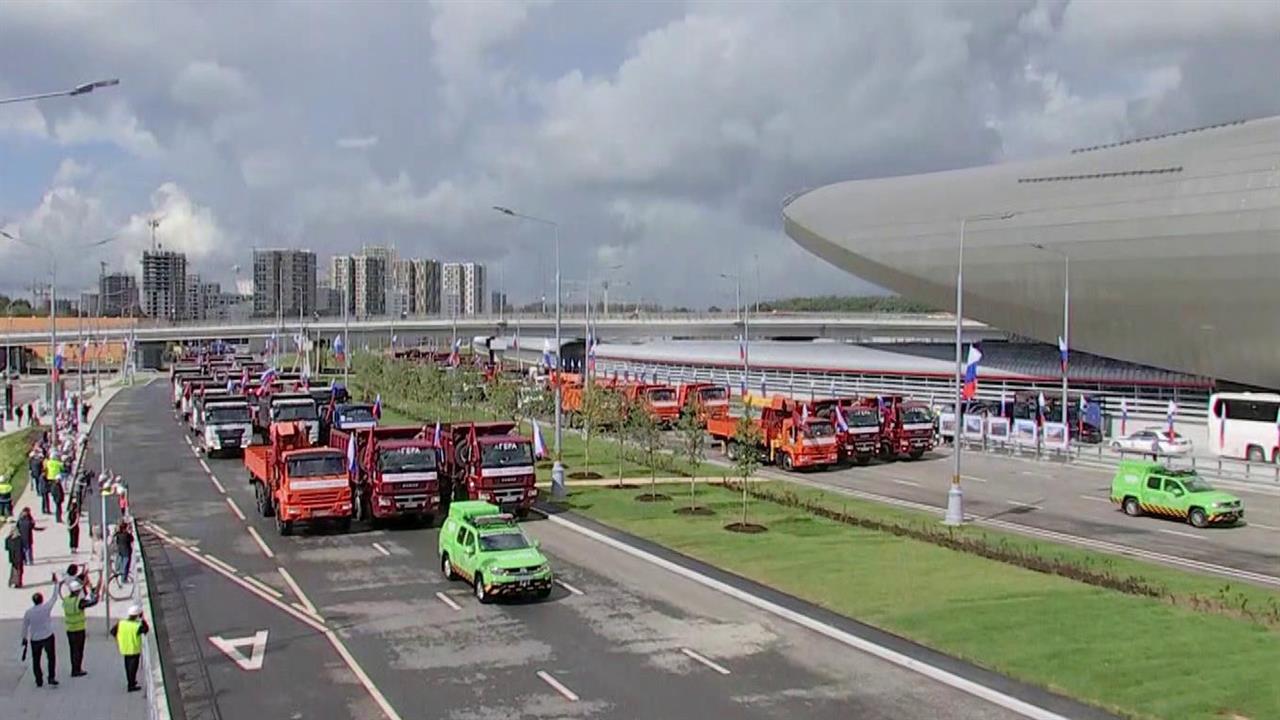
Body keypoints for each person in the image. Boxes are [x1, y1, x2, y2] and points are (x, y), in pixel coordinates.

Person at [22, 573, 61, 687]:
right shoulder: (46, 608)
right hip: (47, 636)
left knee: (36, 660)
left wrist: (24, 638)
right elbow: (54, 597)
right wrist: (56, 583)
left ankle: (39, 680)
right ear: (42, 600)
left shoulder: (29, 612)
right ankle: (51, 677)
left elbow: (25, 626)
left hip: (35, 639)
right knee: (51, 658)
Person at [59, 572, 101, 677]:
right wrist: (96, 595)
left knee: (73, 650)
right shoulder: (78, 602)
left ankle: (74, 668)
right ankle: (77, 669)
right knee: (79, 650)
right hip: (78, 629)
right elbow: (92, 603)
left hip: (69, 629)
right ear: (77, 591)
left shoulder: (66, 600)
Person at [110, 603, 149, 692]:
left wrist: (120, 639)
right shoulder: (136, 626)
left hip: (124, 648)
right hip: (134, 649)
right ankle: (131, 685)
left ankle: (131, 682)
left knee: (127, 667)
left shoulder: (121, 623)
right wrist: (143, 619)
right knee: (133, 668)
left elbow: (112, 632)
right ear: (137, 615)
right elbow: (146, 629)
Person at [6, 523, 23, 588]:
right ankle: (18, 583)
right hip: (18, 558)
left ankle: (12, 582)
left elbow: (6, 548)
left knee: (13, 571)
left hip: (12, 557)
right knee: (19, 571)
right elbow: (19, 550)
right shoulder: (18, 539)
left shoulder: (8, 539)